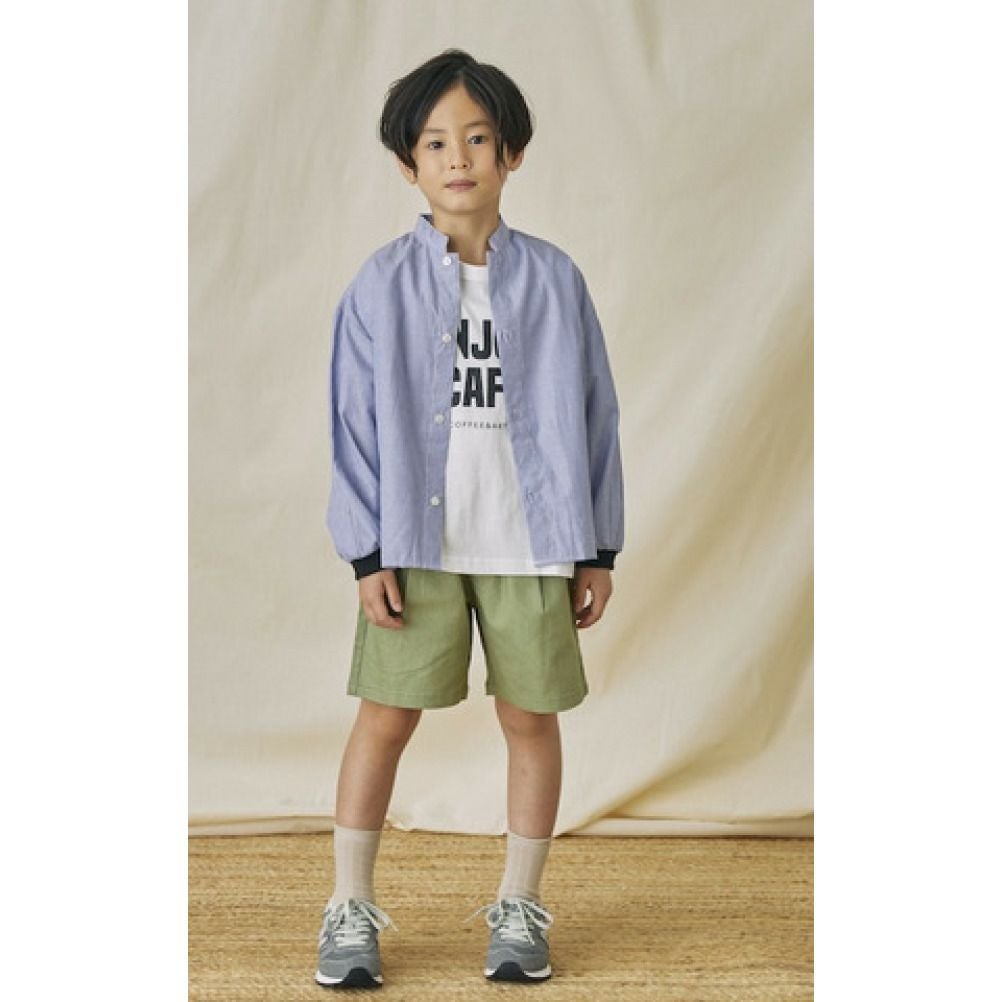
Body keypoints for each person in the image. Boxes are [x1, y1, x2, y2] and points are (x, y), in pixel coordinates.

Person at [316, 48, 625, 989]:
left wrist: (598, 545)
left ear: (512, 154)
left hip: (534, 544)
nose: (458, 158)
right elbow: (352, 420)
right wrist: (366, 549)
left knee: (531, 720)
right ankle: (348, 906)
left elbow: (595, 414)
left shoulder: (556, 281)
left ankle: (521, 907)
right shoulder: (380, 285)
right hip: (418, 545)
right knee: (385, 718)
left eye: (478, 139)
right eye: (435, 143)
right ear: (407, 164)